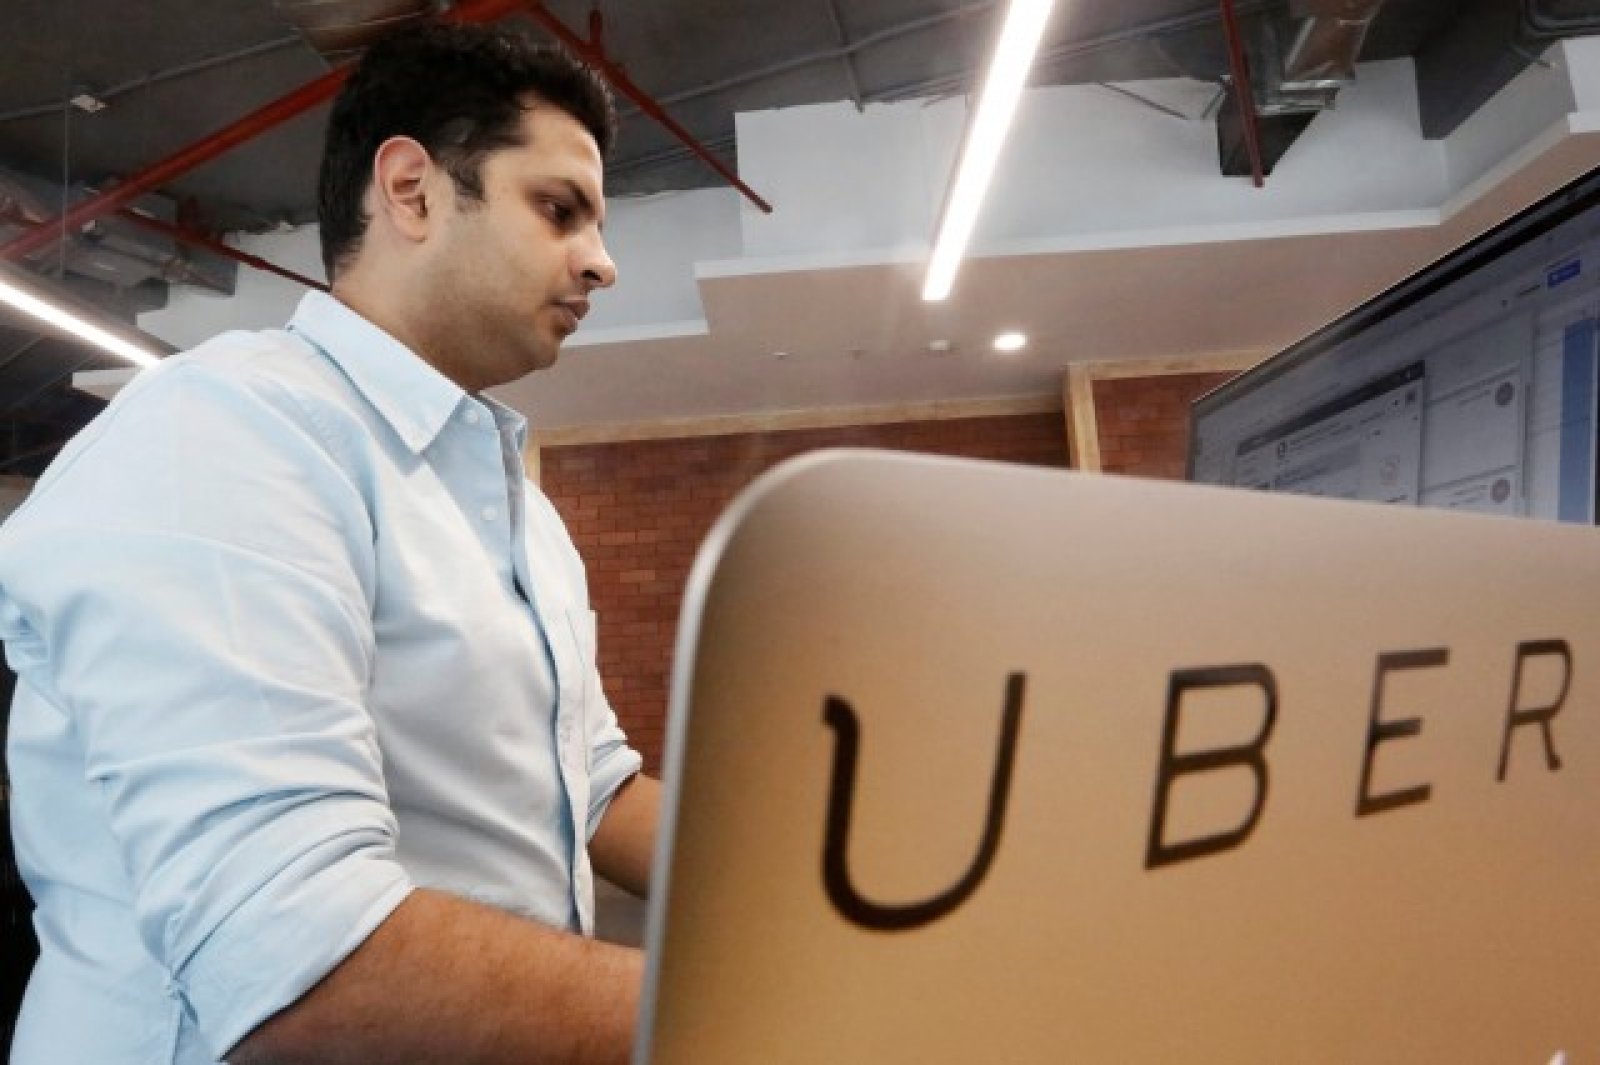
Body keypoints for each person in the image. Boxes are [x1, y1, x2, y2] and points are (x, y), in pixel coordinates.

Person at [0, 22, 659, 1065]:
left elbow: (595, 786)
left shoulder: (519, 514)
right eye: (559, 209)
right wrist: (763, 1019)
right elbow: (295, 957)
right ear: (412, 191)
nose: (601, 262)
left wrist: (838, 892)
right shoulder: (223, 435)